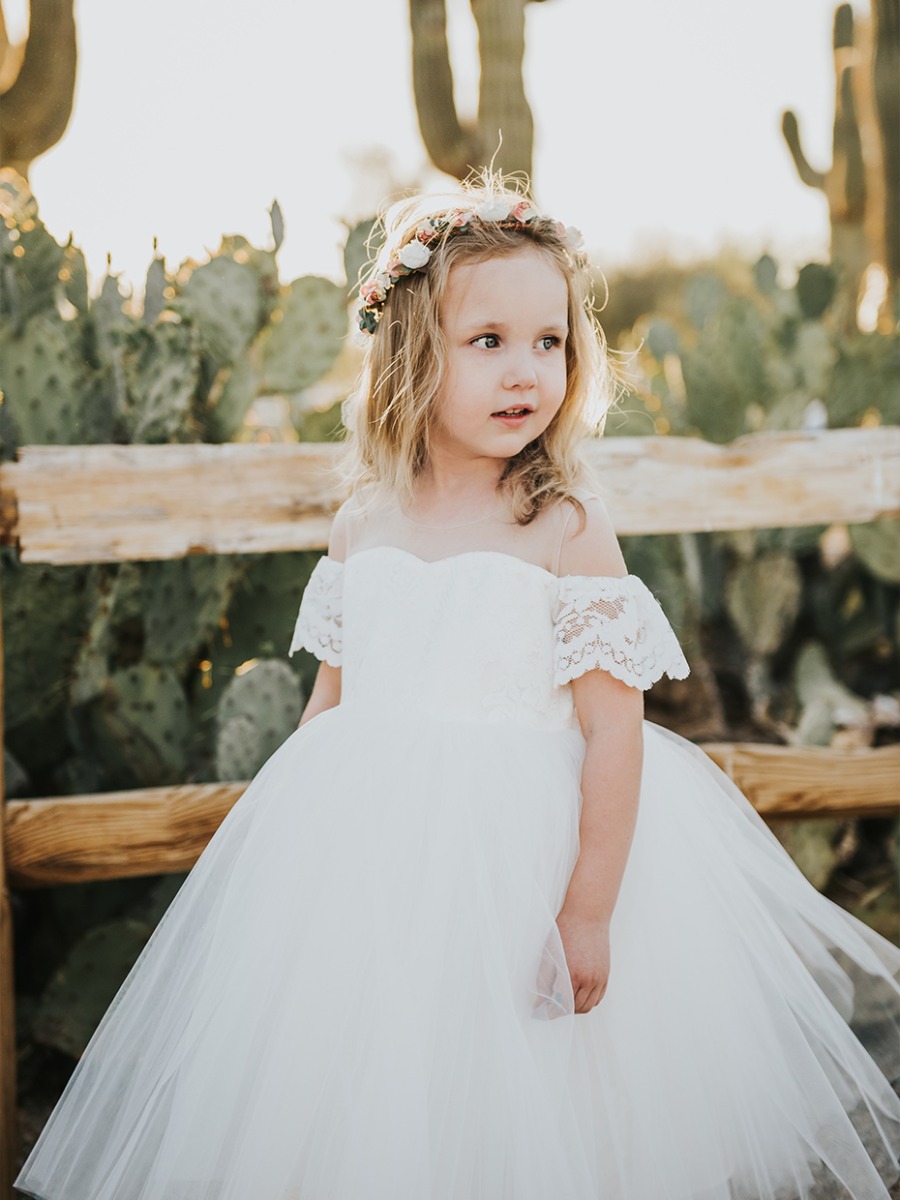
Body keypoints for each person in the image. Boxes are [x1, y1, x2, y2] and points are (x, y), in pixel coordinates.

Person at [15, 174, 900, 1200]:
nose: (526, 370)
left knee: (530, 1102)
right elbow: (328, 708)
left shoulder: (565, 526)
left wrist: (588, 911)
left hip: (525, 864)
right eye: (489, 342)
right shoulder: (363, 524)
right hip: (372, 868)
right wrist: (290, 860)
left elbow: (616, 733)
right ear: (410, 354)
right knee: (370, 1095)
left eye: (550, 342)